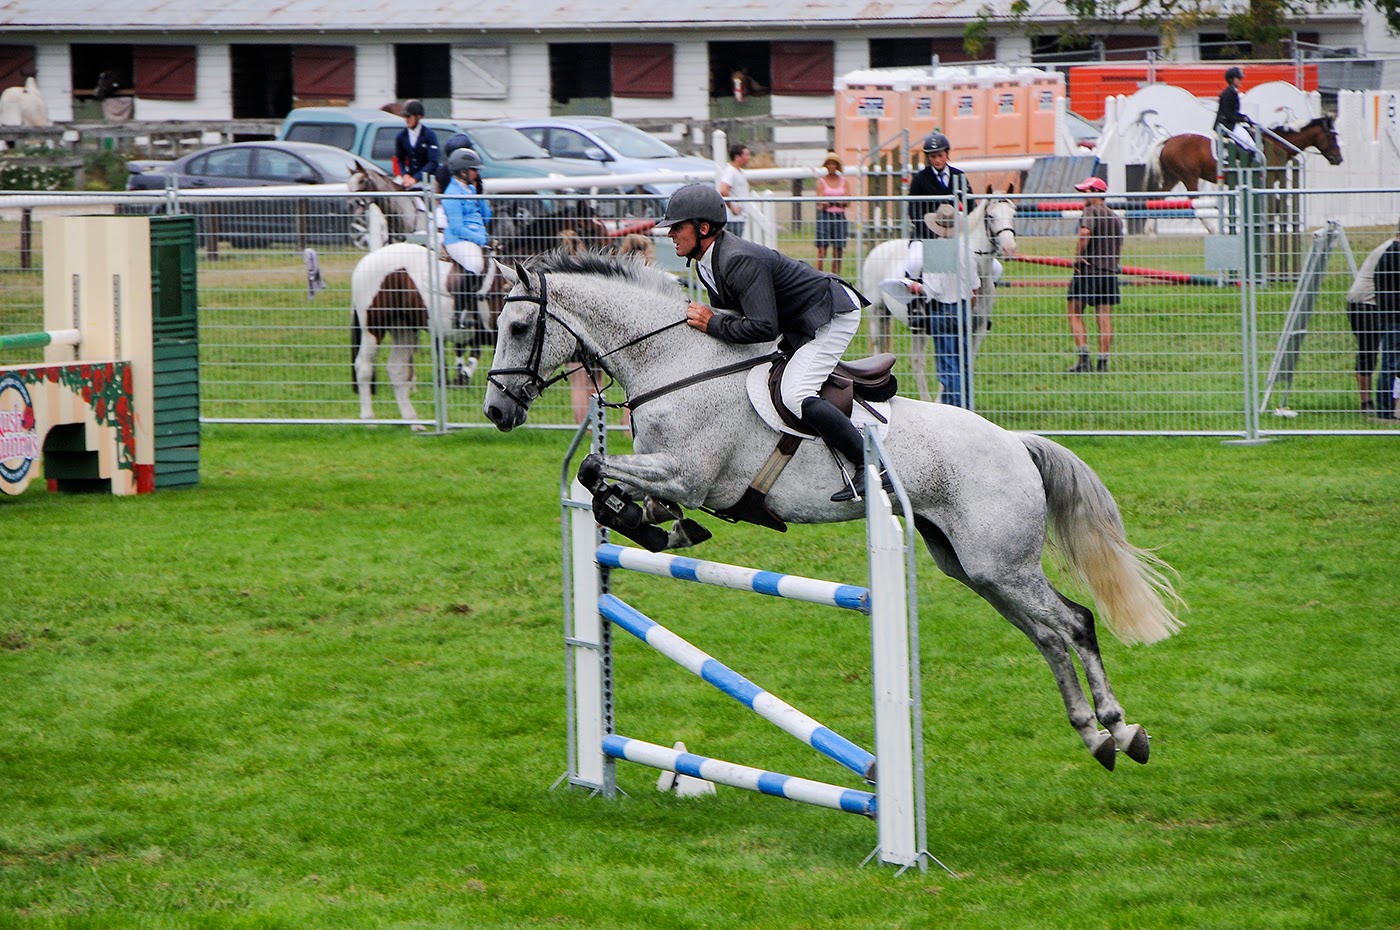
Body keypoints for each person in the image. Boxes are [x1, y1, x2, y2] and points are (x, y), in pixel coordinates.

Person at [656, 183, 881, 502]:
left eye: (677, 227)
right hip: (799, 318)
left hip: (831, 314)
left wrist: (712, 323)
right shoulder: (707, 262)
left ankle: (871, 466)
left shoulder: (736, 260)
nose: (670, 234)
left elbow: (762, 327)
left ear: (703, 228)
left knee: (795, 393)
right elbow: (737, 318)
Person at [567, 234, 654, 423]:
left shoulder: (605, 275)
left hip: (587, 333)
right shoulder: (642, 278)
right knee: (628, 384)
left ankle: (589, 426)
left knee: (583, 382)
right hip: (624, 337)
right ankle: (624, 425)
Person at [899, 204, 979, 408]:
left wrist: (913, 286)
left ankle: (955, 406)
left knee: (947, 364)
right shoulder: (966, 249)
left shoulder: (935, 252)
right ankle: (967, 404)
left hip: (942, 309)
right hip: (963, 308)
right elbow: (974, 287)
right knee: (963, 361)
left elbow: (931, 290)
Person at [441, 148, 492, 383]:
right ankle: (460, 312)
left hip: (476, 237)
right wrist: (482, 239)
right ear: (462, 171)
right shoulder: (451, 193)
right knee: (475, 264)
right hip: (459, 241)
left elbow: (486, 217)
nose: (476, 173)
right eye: (473, 170)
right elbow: (458, 227)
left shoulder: (470, 189)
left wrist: (481, 195)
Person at [1065, 176, 1124, 374]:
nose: (1083, 196)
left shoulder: (1090, 211)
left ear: (1097, 193)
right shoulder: (1115, 218)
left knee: (1074, 312)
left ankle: (1084, 360)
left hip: (1088, 271)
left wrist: (1078, 257)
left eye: (1086, 191)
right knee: (1104, 317)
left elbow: (1084, 233)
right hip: (1109, 273)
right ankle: (1103, 363)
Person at [906, 131, 965, 280]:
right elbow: (914, 210)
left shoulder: (959, 176)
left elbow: (970, 205)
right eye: (933, 157)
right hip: (925, 234)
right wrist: (930, 233)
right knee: (914, 264)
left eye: (940, 155)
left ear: (947, 154)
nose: (937, 160)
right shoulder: (919, 178)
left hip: (955, 232)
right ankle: (911, 289)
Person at [1345, 236, 1394, 416]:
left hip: (1377, 304)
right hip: (1365, 304)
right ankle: (1366, 401)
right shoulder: (1391, 249)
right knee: (1369, 351)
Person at [1372, 220, 1400, 420]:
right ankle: (1385, 410)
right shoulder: (1395, 254)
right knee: (1390, 364)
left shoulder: (1389, 252)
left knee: (1391, 363)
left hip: (1389, 316)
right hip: (1394, 318)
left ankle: (1388, 408)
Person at [1214, 66, 1260, 163]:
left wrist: (1245, 119)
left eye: (1241, 78)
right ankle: (1245, 163)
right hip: (1227, 125)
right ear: (1231, 79)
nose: (1240, 80)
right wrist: (1243, 118)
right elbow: (1228, 114)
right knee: (1250, 145)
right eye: (1238, 78)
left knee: (1249, 138)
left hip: (1230, 123)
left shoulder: (1232, 91)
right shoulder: (1229, 93)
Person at [814, 152, 849, 278]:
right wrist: (836, 201)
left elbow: (847, 201)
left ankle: (836, 276)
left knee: (838, 249)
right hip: (825, 216)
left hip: (839, 217)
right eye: (829, 163)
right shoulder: (821, 181)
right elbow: (820, 201)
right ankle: (818, 275)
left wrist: (831, 201)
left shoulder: (844, 181)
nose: (831, 166)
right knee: (822, 248)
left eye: (833, 163)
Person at [393, 99, 440, 189]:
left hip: (426, 178)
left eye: (409, 117)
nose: (407, 120)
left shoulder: (429, 135)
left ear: (418, 117)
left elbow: (432, 162)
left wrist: (416, 178)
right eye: (405, 117)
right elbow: (400, 159)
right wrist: (404, 175)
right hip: (409, 177)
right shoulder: (401, 136)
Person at [716, 143, 752, 239]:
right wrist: (732, 208)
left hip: (739, 218)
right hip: (733, 219)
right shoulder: (730, 172)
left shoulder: (738, 172)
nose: (748, 158)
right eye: (746, 155)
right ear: (737, 157)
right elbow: (723, 190)